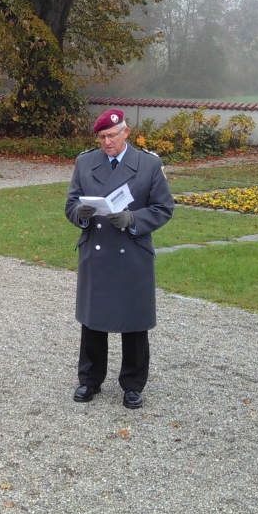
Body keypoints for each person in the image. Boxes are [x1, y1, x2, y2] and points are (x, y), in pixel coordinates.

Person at [65, 109, 174, 409]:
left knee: (134, 321)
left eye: (112, 135)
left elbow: (164, 207)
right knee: (93, 319)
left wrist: (133, 218)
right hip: (96, 251)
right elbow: (71, 204)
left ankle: (133, 384)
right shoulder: (85, 162)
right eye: (101, 137)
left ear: (126, 132)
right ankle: (90, 380)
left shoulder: (149, 164)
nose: (107, 142)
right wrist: (81, 214)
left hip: (132, 252)